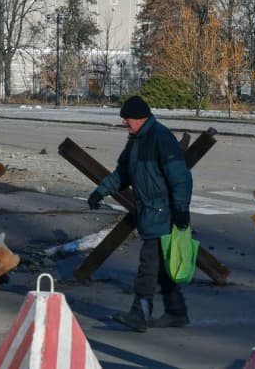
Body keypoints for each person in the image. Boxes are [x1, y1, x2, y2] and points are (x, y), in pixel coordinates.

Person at [87, 95, 192, 332]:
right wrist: (99, 192)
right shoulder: (135, 141)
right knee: (163, 267)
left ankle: (139, 314)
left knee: (148, 266)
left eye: (128, 119)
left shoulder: (160, 138)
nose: (125, 123)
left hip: (164, 213)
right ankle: (176, 312)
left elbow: (181, 177)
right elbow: (123, 173)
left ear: (141, 118)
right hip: (150, 212)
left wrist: (181, 210)